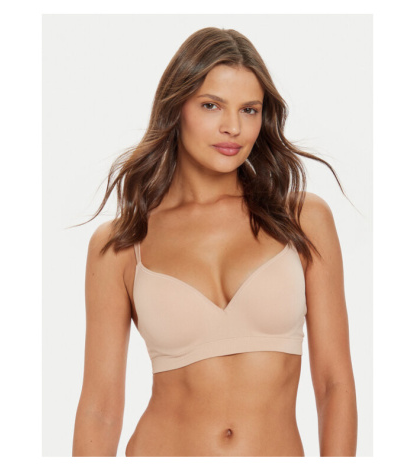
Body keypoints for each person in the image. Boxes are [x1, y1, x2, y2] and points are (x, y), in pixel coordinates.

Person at [71, 27, 358, 457]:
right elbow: (100, 410)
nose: (233, 127)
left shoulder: (303, 220)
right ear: (176, 108)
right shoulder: (122, 245)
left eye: (249, 110)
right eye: (211, 105)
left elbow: (335, 385)